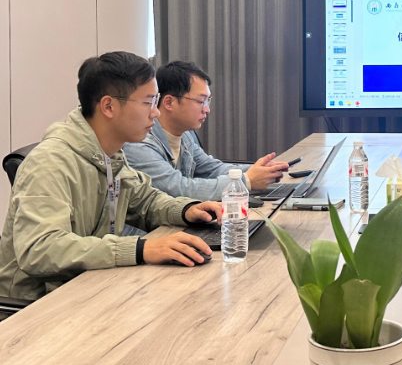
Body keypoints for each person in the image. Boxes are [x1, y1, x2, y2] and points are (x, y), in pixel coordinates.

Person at [0, 52, 223, 301]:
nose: (156, 113)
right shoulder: (50, 162)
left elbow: (146, 202)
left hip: (89, 287)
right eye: (148, 102)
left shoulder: (110, 153)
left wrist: (188, 210)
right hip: (36, 306)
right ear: (108, 106)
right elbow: (40, 249)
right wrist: (140, 249)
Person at [123, 61, 288, 201]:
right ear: (169, 102)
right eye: (201, 101)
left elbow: (212, 169)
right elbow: (178, 189)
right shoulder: (139, 144)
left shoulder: (185, 135)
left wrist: (262, 170)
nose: (207, 109)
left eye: (208, 100)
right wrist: (246, 181)